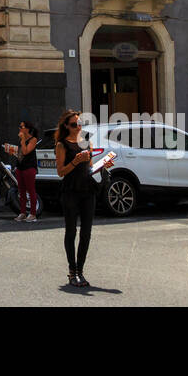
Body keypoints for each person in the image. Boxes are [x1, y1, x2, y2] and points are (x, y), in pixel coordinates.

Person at [54, 110, 112, 287]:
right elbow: (60, 172)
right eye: (74, 124)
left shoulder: (87, 142)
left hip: (87, 191)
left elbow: (90, 168)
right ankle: (72, 272)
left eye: (79, 124)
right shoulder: (61, 145)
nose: (78, 127)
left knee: (86, 233)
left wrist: (103, 165)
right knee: (71, 232)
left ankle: (80, 271)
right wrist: (75, 161)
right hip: (70, 191)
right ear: (66, 126)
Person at [4, 120, 41, 222]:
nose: (19, 128)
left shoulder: (33, 139)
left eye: (22, 126)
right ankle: (23, 213)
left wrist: (23, 139)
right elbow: (21, 153)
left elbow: (25, 151)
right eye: (19, 126)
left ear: (27, 129)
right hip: (20, 167)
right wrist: (12, 150)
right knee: (21, 191)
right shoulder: (21, 140)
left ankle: (33, 214)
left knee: (31, 190)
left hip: (29, 168)